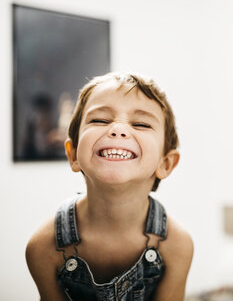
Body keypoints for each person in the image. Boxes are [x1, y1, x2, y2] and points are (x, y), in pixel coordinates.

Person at [26, 72, 193, 300]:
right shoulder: (44, 247)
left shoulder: (176, 246)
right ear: (73, 154)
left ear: (165, 163)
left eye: (141, 124)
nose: (118, 129)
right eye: (100, 120)